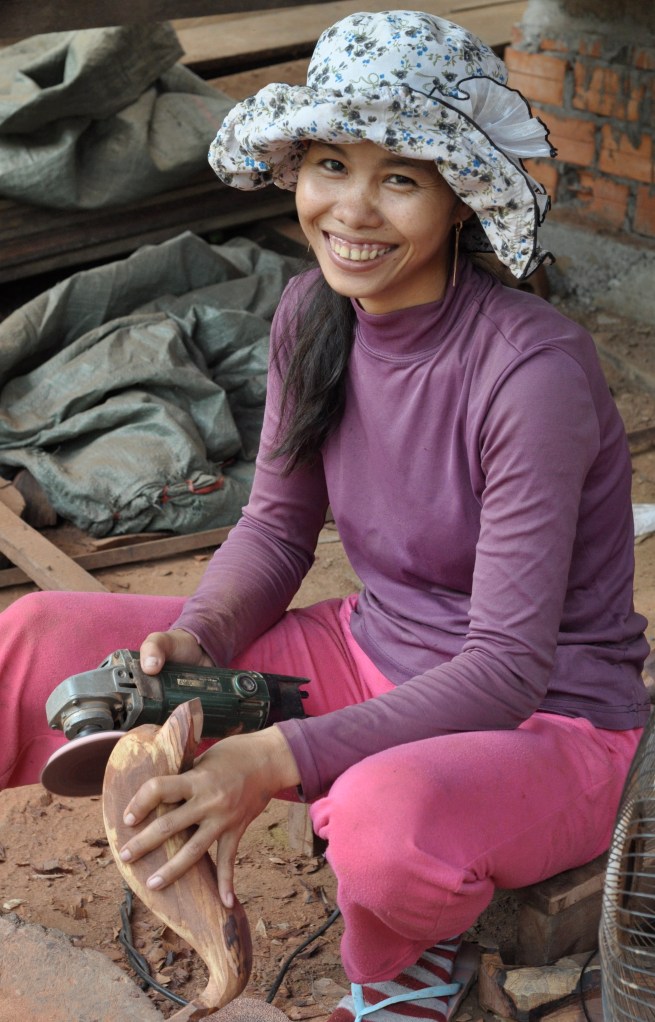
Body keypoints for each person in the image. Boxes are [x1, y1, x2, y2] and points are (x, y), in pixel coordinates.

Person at [1, 10, 650, 1021]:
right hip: (365, 648)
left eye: (399, 178)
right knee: (37, 636)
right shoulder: (313, 313)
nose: (352, 208)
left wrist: (271, 756)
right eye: (330, 164)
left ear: (458, 198)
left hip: (545, 719)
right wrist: (200, 636)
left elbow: (505, 667)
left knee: (384, 820)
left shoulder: (531, 373)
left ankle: (404, 971)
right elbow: (273, 528)